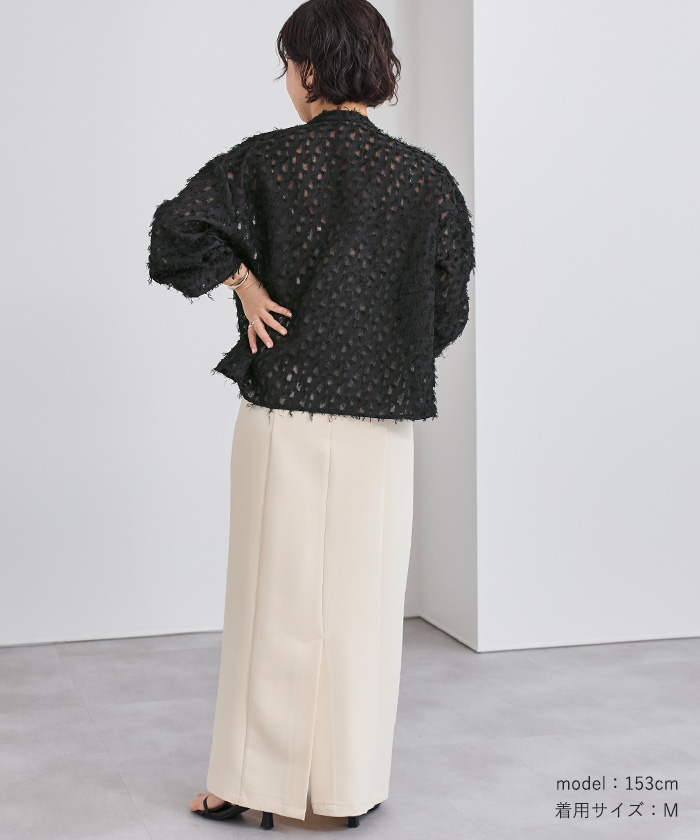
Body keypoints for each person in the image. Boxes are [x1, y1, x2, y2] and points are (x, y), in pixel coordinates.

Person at [147, 0, 475, 830]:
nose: (287, 81)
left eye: (288, 65)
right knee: (363, 606)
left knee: (270, 599)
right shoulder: (425, 180)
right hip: (378, 425)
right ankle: (345, 791)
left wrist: (245, 283)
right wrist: (375, 351)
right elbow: (446, 310)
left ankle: (251, 785)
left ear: (312, 69)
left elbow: (174, 231)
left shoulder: (266, 161)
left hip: (282, 414)